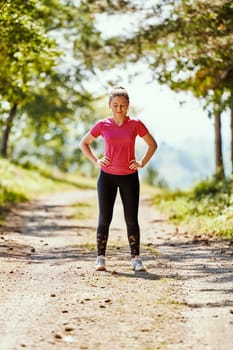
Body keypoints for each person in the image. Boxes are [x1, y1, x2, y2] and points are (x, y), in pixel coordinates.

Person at [79, 86, 157, 272]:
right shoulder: (102, 125)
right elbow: (84, 143)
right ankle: (100, 259)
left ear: (128, 105)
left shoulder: (136, 124)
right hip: (107, 177)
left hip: (129, 177)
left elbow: (152, 144)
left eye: (122, 105)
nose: (119, 109)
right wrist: (97, 160)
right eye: (115, 105)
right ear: (109, 105)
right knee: (104, 218)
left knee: (131, 219)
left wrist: (142, 163)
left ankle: (136, 259)